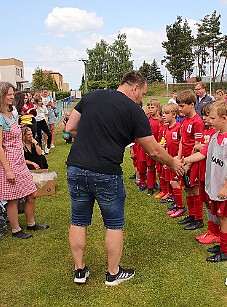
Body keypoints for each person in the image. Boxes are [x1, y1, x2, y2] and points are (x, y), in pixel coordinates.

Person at [65, 71, 184, 286]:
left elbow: (70, 127)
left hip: (76, 167)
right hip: (106, 171)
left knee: (78, 220)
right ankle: (113, 273)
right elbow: (154, 151)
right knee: (114, 223)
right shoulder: (134, 111)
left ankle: (79, 270)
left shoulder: (92, 96)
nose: (141, 100)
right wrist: (174, 162)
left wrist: (90, 140)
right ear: (135, 88)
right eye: (142, 95)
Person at [183, 101, 227, 262]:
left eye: (212, 117)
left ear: (224, 118)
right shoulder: (216, 136)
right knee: (218, 217)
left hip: (224, 189)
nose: (209, 120)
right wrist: (184, 159)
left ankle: (225, 251)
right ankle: (221, 243)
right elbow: (203, 153)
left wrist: (226, 187)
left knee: (224, 219)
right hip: (215, 187)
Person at [0, 82, 48, 240]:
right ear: (1, 96)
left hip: (20, 162)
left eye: (12, 93)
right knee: (13, 198)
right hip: (8, 163)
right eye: (9, 94)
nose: (12, 97)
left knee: (32, 194)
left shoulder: (11, 114)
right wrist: (8, 170)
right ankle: (16, 230)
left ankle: (31, 223)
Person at [176, 89, 205, 231]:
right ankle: (192, 214)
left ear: (192, 104)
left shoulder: (197, 122)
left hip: (193, 162)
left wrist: (188, 163)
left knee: (194, 189)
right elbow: (182, 140)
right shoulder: (184, 120)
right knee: (186, 188)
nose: (179, 109)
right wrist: (180, 157)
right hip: (184, 160)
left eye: (182, 106)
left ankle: (199, 219)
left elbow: (197, 146)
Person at [192, 102, 220, 245]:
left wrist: (200, 147)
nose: (204, 118)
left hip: (212, 175)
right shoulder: (206, 131)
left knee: (213, 204)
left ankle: (216, 232)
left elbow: (209, 150)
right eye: (203, 115)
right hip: (203, 172)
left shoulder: (217, 133)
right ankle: (211, 230)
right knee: (208, 204)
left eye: (207, 116)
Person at [162, 103, 184, 218]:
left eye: (166, 113)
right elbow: (166, 144)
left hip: (177, 161)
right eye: (163, 113)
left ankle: (180, 207)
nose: (163, 116)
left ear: (174, 114)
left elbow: (182, 143)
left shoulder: (179, 127)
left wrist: (179, 158)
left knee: (175, 182)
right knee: (172, 181)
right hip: (170, 160)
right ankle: (176, 204)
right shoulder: (166, 128)